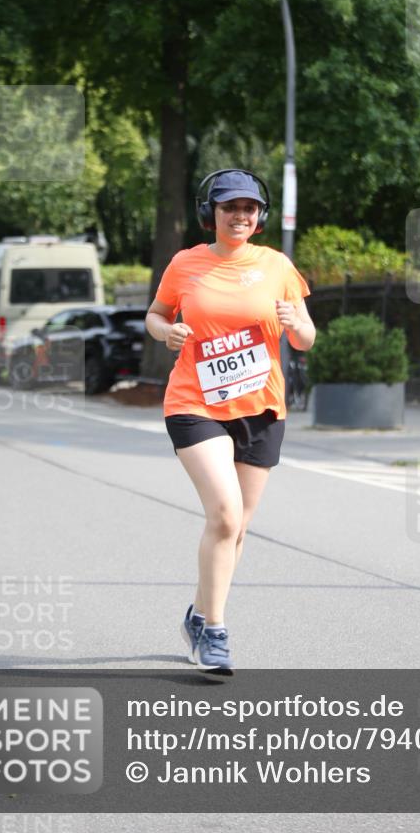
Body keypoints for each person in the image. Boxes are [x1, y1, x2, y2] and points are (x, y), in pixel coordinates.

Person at [145, 170, 316, 675]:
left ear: (260, 216)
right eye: (229, 207)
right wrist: (166, 331)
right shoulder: (186, 263)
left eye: (249, 208)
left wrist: (296, 326)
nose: (239, 216)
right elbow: (154, 314)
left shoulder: (277, 265)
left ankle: (198, 614)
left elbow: (306, 336)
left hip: (261, 408)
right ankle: (215, 630)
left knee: (237, 527)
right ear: (211, 214)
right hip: (194, 403)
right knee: (223, 514)